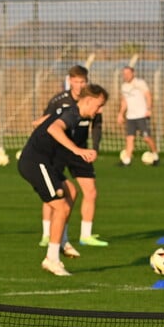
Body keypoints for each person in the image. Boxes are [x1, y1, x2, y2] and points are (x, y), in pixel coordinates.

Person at [18, 84, 108, 277]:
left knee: (72, 192)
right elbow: (54, 128)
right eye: (99, 106)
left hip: (44, 163)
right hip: (35, 162)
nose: (99, 111)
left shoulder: (72, 113)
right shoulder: (73, 114)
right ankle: (51, 259)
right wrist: (78, 150)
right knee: (61, 207)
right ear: (89, 100)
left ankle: (63, 241)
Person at [35, 65, 108, 251]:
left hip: (79, 151)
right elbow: (46, 122)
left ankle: (86, 235)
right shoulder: (60, 101)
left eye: (83, 81)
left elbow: (97, 127)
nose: (79, 85)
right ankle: (47, 233)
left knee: (90, 191)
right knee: (54, 192)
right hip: (60, 150)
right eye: (76, 81)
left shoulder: (93, 103)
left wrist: (95, 148)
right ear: (70, 81)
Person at [117, 66, 158, 165]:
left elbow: (148, 95)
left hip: (142, 115)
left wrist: (149, 109)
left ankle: (156, 155)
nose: (126, 76)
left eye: (128, 73)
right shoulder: (124, 86)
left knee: (146, 138)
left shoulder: (140, 83)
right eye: (124, 74)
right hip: (130, 117)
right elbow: (124, 101)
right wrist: (121, 114)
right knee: (129, 139)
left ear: (133, 73)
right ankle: (127, 160)